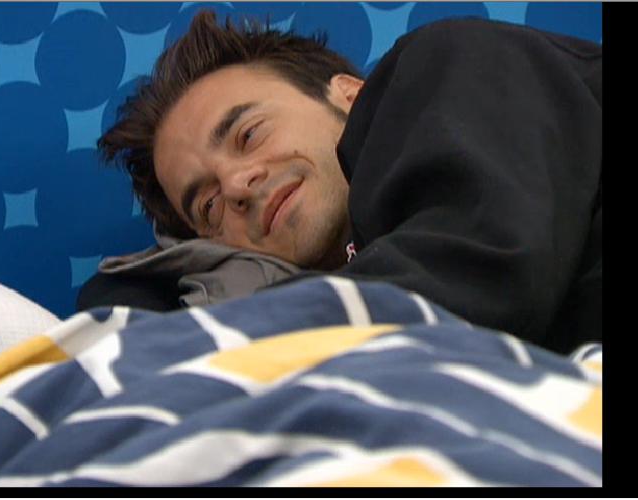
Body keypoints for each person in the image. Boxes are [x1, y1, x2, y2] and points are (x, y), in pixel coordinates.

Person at [86, 10, 602, 354]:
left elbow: (486, 271)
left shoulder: (446, 60)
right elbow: (116, 340)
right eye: (208, 206)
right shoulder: (335, 289)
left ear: (350, 93)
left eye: (249, 134)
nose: (238, 186)